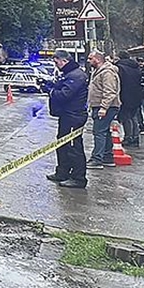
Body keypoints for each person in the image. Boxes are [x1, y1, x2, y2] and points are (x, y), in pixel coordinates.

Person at [46, 49, 89, 189]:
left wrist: (50, 91)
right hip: (67, 115)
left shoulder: (76, 76)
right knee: (62, 144)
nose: (55, 64)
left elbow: (65, 94)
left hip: (74, 116)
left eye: (56, 61)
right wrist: (48, 85)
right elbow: (62, 88)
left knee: (73, 147)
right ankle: (63, 172)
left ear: (64, 61)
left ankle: (78, 177)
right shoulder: (68, 74)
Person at [86, 51, 121, 169]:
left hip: (107, 107)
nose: (88, 61)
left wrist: (104, 107)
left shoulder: (107, 72)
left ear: (98, 59)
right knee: (104, 132)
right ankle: (107, 157)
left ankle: (97, 159)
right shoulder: (98, 71)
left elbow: (110, 91)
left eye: (90, 59)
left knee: (99, 132)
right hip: (102, 106)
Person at [116, 50, 143, 148]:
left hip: (125, 95)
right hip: (136, 95)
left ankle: (128, 137)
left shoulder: (120, 68)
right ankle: (135, 137)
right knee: (133, 116)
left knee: (126, 117)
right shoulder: (136, 67)